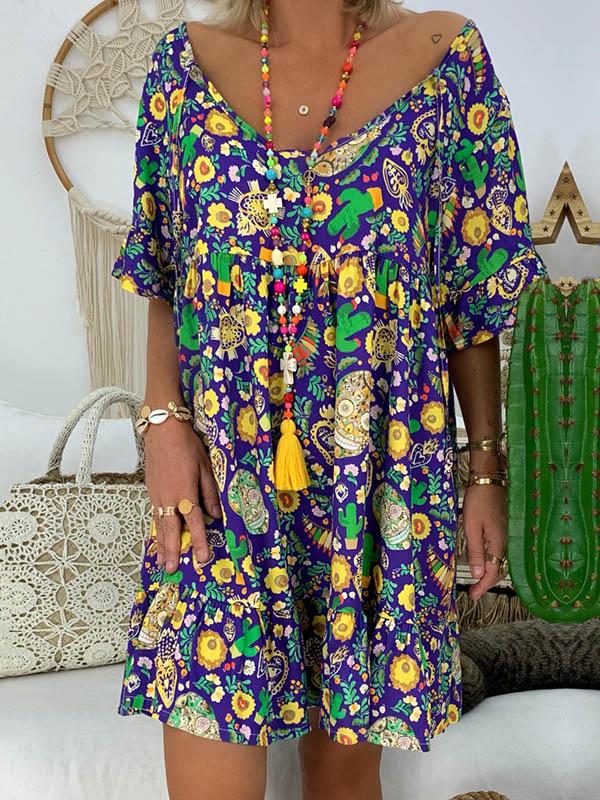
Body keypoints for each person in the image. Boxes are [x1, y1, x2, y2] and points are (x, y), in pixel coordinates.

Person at [111, 1, 549, 798]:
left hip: (377, 474)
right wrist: (162, 424)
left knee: (345, 784)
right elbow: (165, 268)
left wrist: (485, 469)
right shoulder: (184, 66)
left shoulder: (446, 57)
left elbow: (471, 294)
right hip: (225, 470)